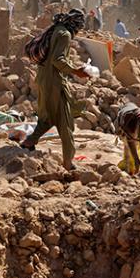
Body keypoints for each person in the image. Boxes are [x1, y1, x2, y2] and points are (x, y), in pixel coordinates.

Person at [19, 9, 94, 170]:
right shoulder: (65, 35)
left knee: (48, 117)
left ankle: (29, 142)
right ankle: (68, 162)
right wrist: (76, 71)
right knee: (65, 121)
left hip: (43, 80)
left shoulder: (56, 29)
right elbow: (57, 60)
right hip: (54, 83)